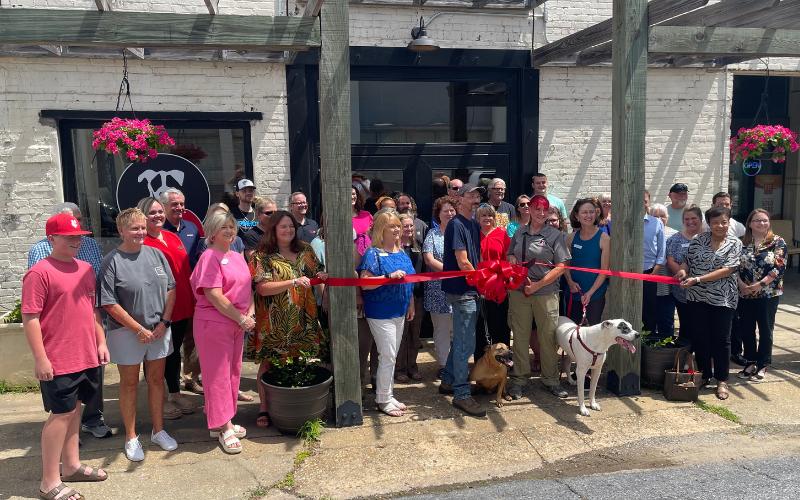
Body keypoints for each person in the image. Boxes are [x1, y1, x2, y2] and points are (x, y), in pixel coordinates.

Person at [22, 212, 110, 500]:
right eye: (68, 237)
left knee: (76, 410)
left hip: (86, 354)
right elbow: (31, 317)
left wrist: (100, 342)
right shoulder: (39, 273)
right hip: (58, 357)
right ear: (52, 239)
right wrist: (40, 358)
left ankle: (71, 466)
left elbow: (92, 310)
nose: (75, 242)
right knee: (60, 414)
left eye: (78, 237)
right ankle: (49, 481)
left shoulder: (85, 268)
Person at [100, 208, 179, 461]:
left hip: (159, 330)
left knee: (157, 381)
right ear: (121, 231)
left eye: (143, 227)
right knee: (130, 383)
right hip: (126, 333)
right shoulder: (111, 260)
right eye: (134, 228)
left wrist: (164, 323)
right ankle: (131, 437)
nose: (140, 232)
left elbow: (171, 289)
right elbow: (109, 303)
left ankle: (158, 430)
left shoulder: (156, 254)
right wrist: (138, 329)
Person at [248, 210, 325, 427]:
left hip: (303, 317)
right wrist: (292, 282)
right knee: (268, 364)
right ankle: (264, 408)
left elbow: (316, 274)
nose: (288, 230)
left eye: (291, 226)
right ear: (273, 229)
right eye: (283, 226)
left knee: (301, 359)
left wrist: (321, 277)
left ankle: (294, 404)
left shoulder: (306, 250)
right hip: (274, 322)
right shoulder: (261, 256)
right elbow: (262, 288)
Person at [190, 208, 255, 454]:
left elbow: (248, 288)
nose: (229, 231)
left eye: (231, 227)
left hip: (237, 323)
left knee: (232, 373)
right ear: (212, 233)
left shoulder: (237, 255)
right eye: (223, 227)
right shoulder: (209, 257)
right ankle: (223, 426)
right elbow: (213, 294)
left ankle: (222, 420)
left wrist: (249, 313)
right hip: (214, 323)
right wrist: (241, 317)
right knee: (216, 376)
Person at [137, 197, 196, 420]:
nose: (158, 216)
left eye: (160, 211)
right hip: (158, 310)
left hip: (181, 305)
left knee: (173, 352)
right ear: (143, 216)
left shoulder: (172, 237)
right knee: (155, 355)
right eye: (152, 213)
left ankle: (174, 392)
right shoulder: (142, 243)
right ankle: (159, 399)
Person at [507, 194, 571, 400]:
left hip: (545, 292)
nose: (541, 213)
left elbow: (562, 266)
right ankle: (519, 380)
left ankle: (551, 379)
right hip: (519, 292)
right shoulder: (519, 231)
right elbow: (510, 254)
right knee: (520, 336)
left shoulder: (555, 235)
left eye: (545, 209)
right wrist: (513, 261)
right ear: (529, 210)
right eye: (536, 208)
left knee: (548, 337)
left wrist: (537, 285)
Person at [675, 206, 742, 400]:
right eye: (715, 223)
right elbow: (687, 261)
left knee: (722, 340)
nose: (720, 226)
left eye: (724, 222)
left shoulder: (734, 243)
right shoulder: (698, 240)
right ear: (709, 224)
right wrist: (682, 271)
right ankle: (705, 374)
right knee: (701, 337)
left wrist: (697, 279)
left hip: (723, 298)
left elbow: (727, 270)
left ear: (729, 222)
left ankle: (722, 380)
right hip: (697, 298)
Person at [358, 210, 416, 417]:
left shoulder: (402, 252)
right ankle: (383, 398)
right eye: (392, 226)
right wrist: (388, 276)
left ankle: (387, 394)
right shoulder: (372, 254)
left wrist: (410, 304)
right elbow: (365, 284)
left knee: (391, 355)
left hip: (399, 311)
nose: (397, 230)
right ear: (382, 230)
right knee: (388, 355)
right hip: (380, 312)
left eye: (398, 226)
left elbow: (409, 281)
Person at [439, 184, 485, 417]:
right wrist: (482, 281)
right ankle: (462, 394)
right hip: (463, 291)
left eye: (478, 194)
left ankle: (448, 379)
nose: (476, 198)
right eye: (471, 194)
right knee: (466, 343)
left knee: (462, 339)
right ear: (460, 200)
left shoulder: (474, 224)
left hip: (471, 289)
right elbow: (463, 261)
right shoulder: (457, 224)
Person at [736, 209, 787, 381]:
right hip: (744, 293)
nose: (761, 223)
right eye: (757, 220)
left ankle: (763, 364)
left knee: (766, 329)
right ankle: (750, 361)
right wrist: (741, 284)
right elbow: (733, 266)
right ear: (750, 223)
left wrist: (760, 284)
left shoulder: (778, 242)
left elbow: (779, 267)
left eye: (765, 220)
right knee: (747, 329)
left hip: (768, 294)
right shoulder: (741, 243)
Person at [423, 196, 457, 380]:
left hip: (459, 288)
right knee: (442, 329)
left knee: (457, 329)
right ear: (439, 214)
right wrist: (450, 272)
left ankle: (457, 364)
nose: (450, 214)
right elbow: (428, 259)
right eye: (446, 211)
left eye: (452, 210)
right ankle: (444, 365)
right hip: (438, 290)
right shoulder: (432, 234)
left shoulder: (461, 232)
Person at [564, 198, 609, 326]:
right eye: (584, 212)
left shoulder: (604, 239)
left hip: (595, 295)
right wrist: (570, 282)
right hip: (574, 293)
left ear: (596, 214)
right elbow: (565, 265)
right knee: (573, 333)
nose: (588, 215)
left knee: (591, 333)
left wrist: (590, 293)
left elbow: (604, 271)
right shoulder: (570, 238)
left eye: (591, 212)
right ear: (577, 216)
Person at [475, 204, 512, 359]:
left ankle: (503, 360)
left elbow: (509, 257)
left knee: (501, 325)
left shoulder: (502, 234)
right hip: (479, 285)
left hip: (499, 286)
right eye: (483, 215)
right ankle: (482, 361)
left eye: (490, 215)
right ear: (478, 218)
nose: (487, 218)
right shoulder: (474, 234)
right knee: (481, 326)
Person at [665, 206, 703, 348]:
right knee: (685, 324)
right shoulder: (674, 239)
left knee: (702, 325)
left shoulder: (709, 237)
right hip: (682, 291)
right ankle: (685, 357)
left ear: (700, 219)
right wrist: (686, 277)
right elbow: (670, 261)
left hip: (705, 290)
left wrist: (699, 278)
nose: (690, 221)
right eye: (686, 219)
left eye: (694, 218)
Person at [395, 213, 424, 382]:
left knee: (415, 334)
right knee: (402, 334)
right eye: (405, 226)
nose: (409, 229)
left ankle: (413, 366)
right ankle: (400, 369)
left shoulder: (418, 245)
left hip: (418, 296)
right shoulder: (395, 248)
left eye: (411, 226)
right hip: (401, 297)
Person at [650, 203, 678, 338]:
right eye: (655, 216)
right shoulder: (647, 232)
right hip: (650, 284)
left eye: (663, 216)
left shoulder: (674, 234)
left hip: (668, 286)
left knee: (666, 320)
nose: (660, 219)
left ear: (667, 217)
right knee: (650, 319)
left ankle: (666, 352)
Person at [642, 190, 666, 336]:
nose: (642, 204)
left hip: (650, 272)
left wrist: (655, 271)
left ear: (648, 202)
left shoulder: (656, 223)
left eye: (644, 201)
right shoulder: (622, 223)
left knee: (649, 311)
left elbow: (662, 250)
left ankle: (648, 343)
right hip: (628, 273)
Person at [161, 188, 202, 268]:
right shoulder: (159, 230)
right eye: (175, 204)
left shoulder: (192, 228)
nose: (179, 207)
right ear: (163, 206)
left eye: (182, 204)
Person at [352, 187, 373, 256]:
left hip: (367, 255)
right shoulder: (340, 217)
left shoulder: (366, 215)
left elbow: (374, 235)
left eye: (353, 194)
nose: (352, 197)